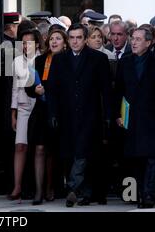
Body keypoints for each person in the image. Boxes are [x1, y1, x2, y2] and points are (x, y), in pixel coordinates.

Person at [47, 23, 112, 207]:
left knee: (83, 152)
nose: (75, 41)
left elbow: (106, 90)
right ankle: (84, 193)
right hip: (66, 115)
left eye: (78, 38)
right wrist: (52, 113)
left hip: (90, 114)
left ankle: (73, 188)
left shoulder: (98, 59)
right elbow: (52, 89)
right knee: (71, 154)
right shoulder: (59, 60)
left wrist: (108, 114)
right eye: (72, 38)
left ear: (85, 39)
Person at [114, 26, 155, 208]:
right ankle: (137, 193)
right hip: (131, 118)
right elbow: (118, 91)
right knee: (134, 157)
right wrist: (117, 114)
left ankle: (149, 195)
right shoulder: (124, 63)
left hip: (153, 119)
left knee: (152, 157)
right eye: (133, 38)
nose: (133, 42)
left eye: (138, 39)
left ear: (149, 42)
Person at [25, 29, 68, 205]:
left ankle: (51, 187)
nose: (54, 41)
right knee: (40, 149)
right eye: (51, 39)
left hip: (61, 110)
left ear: (64, 42)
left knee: (53, 151)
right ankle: (38, 190)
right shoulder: (41, 60)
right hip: (42, 110)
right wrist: (34, 90)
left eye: (58, 39)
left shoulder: (68, 60)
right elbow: (28, 85)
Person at [9, 27, 44, 201]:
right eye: (23, 43)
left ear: (37, 43)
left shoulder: (43, 59)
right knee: (20, 145)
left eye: (29, 42)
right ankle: (17, 186)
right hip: (23, 107)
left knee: (39, 148)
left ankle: (42, 187)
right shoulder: (17, 61)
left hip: (40, 107)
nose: (25, 46)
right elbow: (15, 88)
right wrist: (13, 113)